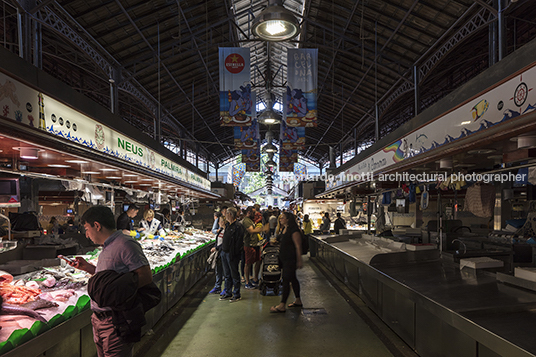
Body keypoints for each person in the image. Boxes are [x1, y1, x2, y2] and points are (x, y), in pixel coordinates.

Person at [67, 206, 154, 357]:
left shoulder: (126, 244)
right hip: (98, 320)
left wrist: (115, 295)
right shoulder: (107, 247)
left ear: (97, 226)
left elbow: (146, 276)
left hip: (115, 320)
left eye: (87, 229)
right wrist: (88, 268)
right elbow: (110, 277)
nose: (87, 235)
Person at [270, 211, 303, 313]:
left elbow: (298, 246)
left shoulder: (294, 230)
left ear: (288, 219)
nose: (280, 219)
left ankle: (282, 305)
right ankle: (298, 300)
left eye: (283, 218)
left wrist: (299, 260)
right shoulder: (284, 229)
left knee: (286, 280)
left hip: (290, 259)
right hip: (284, 259)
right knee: (293, 279)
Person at [220, 207, 244, 303]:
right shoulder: (228, 225)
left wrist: (234, 253)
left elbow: (239, 242)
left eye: (226, 214)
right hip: (224, 252)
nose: (225, 215)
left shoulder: (238, 226)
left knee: (234, 274)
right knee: (227, 274)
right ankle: (228, 292)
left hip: (232, 254)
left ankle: (237, 294)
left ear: (230, 214)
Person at [242, 207, 262, 289]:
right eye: (254, 213)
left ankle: (255, 279)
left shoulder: (251, 220)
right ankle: (247, 282)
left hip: (255, 244)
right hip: (249, 245)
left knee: (258, 261)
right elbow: (251, 231)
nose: (255, 214)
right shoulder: (246, 220)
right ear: (249, 212)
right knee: (248, 263)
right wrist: (263, 229)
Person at [209, 213, 226, 295]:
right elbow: (218, 241)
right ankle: (217, 287)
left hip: (224, 253)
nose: (218, 223)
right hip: (219, 253)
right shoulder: (221, 230)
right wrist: (215, 247)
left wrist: (217, 248)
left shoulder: (227, 231)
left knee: (226, 272)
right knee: (218, 271)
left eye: (219, 221)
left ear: (223, 222)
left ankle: (226, 289)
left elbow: (225, 243)